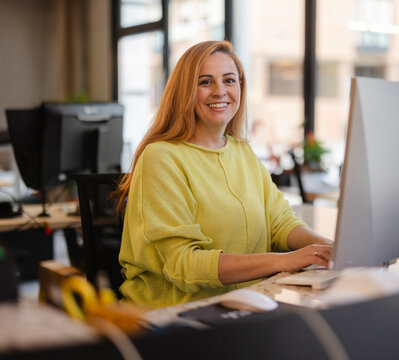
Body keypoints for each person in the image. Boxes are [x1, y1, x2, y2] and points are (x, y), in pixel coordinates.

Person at [115, 40, 332, 308]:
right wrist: (286, 260)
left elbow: (280, 223)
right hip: (174, 316)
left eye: (229, 80)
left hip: (246, 302)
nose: (220, 91)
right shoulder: (161, 158)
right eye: (205, 82)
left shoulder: (242, 152)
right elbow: (185, 264)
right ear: (185, 91)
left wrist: (328, 248)